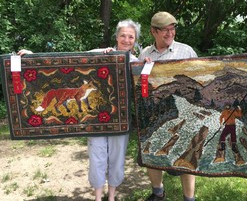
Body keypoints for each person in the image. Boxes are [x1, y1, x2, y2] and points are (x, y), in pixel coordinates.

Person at [18, 18, 141, 201]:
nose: (126, 39)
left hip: (119, 121)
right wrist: (32, 56)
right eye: (123, 35)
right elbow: (65, 61)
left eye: (131, 37)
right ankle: (98, 197)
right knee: (97, 158)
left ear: (135, 40)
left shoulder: (135, 62)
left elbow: (146, 86)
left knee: (117, 159)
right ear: (116, 37)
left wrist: (147, 65)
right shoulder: (99, 53)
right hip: (95, 119)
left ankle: (112, 196)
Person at [138, 11, 197, 201]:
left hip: (183, 113)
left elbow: (198, 83)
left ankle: (189, 199)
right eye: (165, 30)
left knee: (186, 159)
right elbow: (140, 86)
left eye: (172, 29)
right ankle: (158, 193)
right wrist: (142, 69)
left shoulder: (186, 51)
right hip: (155, 114)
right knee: (152, 154)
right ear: (153, 31)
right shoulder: (145, 53)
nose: (170, 33)